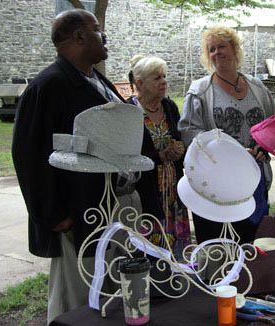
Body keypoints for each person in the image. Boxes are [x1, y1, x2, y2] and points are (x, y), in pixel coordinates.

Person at [11, 9, 126, 323]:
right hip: (75, 217)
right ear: (79, 36)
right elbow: (28, 155)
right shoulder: (48, 86)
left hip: (106, 208)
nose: (105, 37)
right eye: (98, 30)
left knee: (106, 292)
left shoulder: (94, 79)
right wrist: (52, 213)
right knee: (75, 301)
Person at [178, 26, 275, 244]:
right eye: (211, 49)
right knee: (219, 243)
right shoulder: (199, 91)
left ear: (234, 49)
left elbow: (271, 126)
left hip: (254, 180)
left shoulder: (258, 88)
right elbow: (189, 133)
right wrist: (232, 153)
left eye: (221, 46)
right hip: (217, 184)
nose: (216, 53)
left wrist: (263, 149)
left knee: (252, 242)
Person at [127, 55, 190, 257]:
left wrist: (179, 148)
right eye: (156, 78)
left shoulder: (169, 107)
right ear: (140, 83)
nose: (163, 81)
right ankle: (153, 282)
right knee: (150, 248)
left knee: (176, 248)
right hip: (148, 190)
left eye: (164, 76)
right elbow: (128, 155)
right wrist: (159, 156)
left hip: (173, 189)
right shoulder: (129, 111)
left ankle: (177, 279)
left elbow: (178, 137)